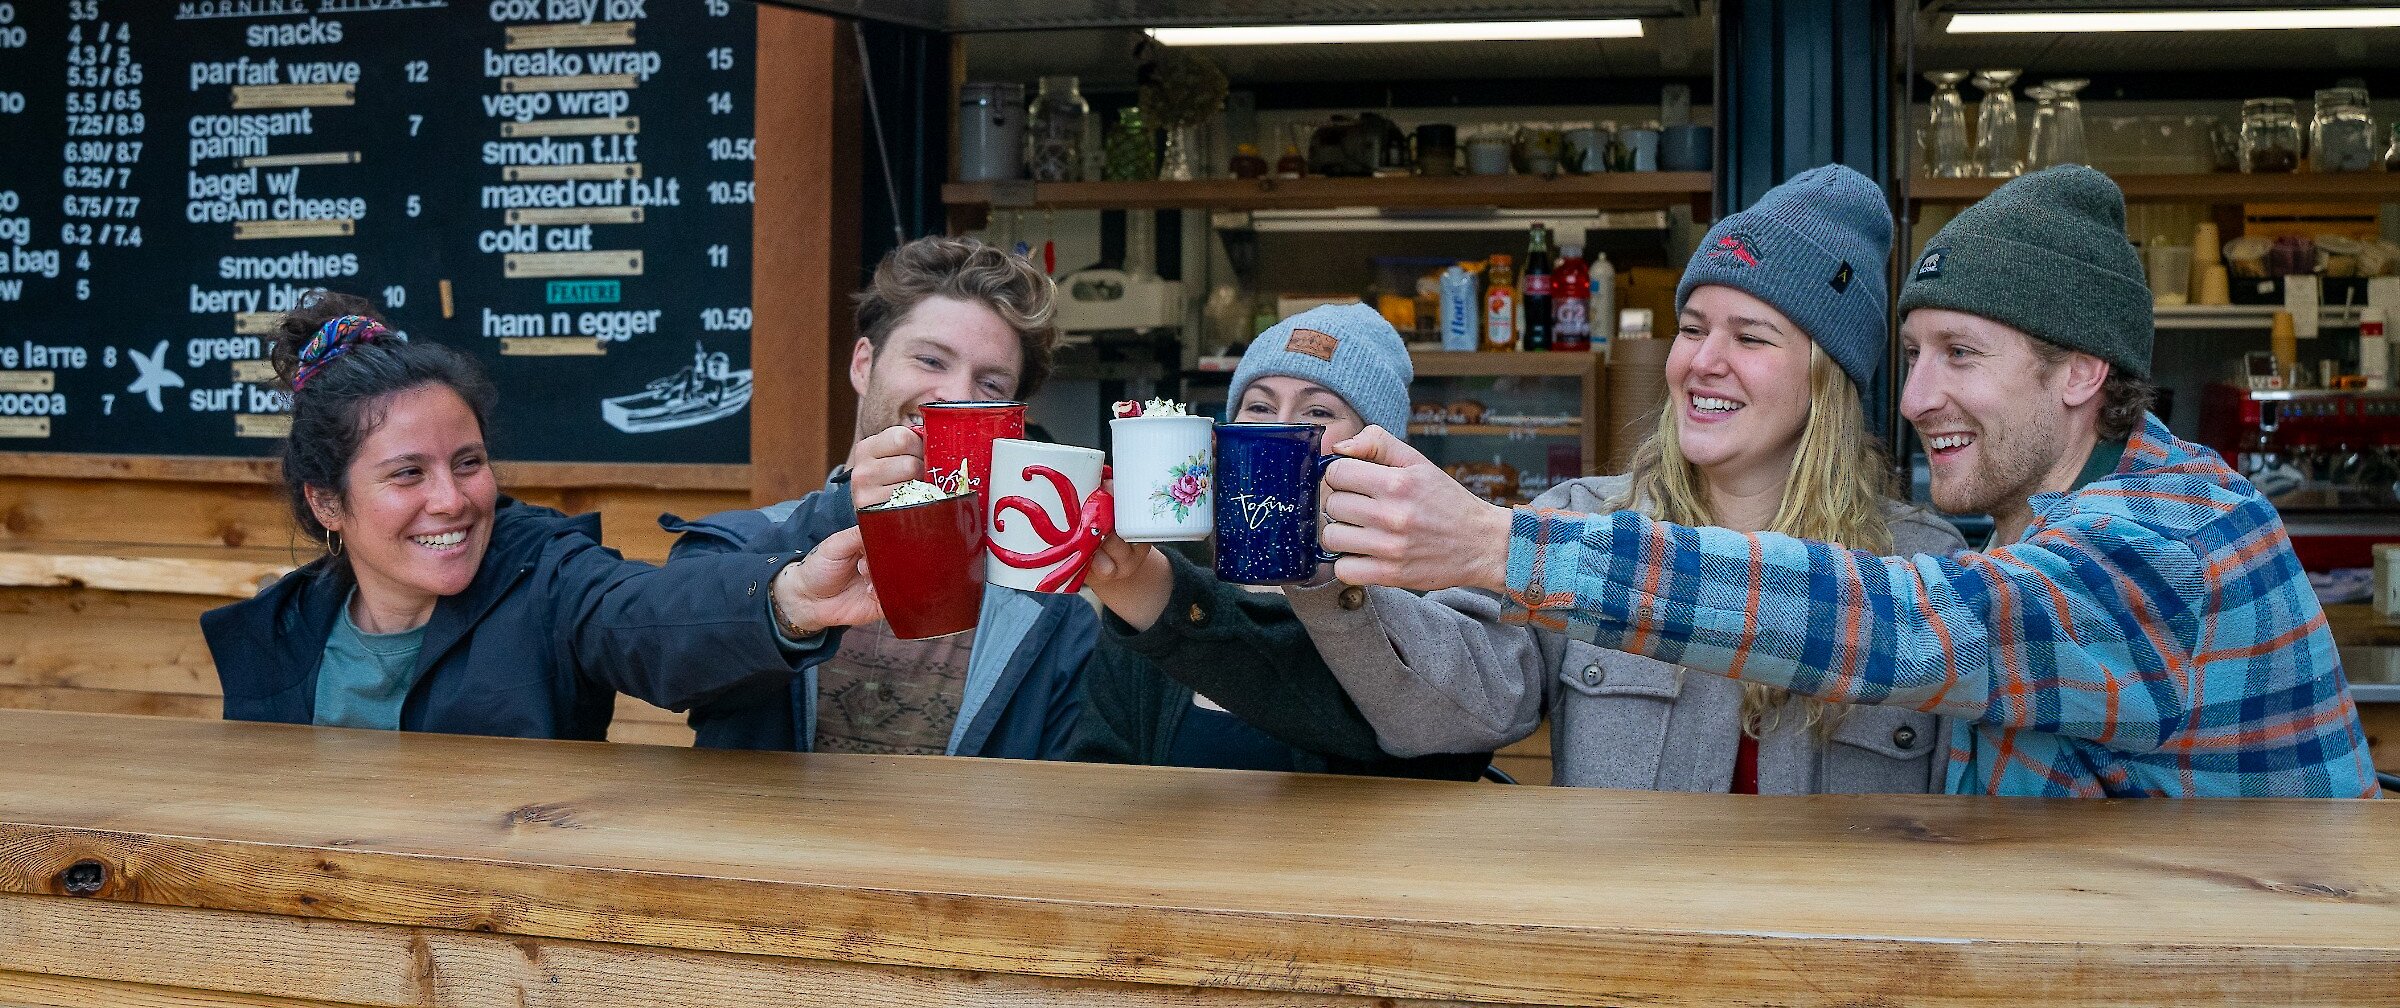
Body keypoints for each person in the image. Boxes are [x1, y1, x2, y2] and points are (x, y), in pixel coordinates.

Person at [1315, 165, 2380, 798]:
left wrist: (1500, 548)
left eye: (1960, 354)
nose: (1916, 399)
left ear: (2080, 372)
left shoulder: (2166, 541)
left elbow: (1912, 629)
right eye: (1912, 356)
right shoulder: (2032, 533)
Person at [1283, 167, 1964, 792]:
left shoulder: (1924, 573)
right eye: (1692, 329)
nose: (1704, 361)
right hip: (1620, 925)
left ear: (1827, 380)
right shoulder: (1579, 520)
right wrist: (1323, 573)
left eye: (1751, 338)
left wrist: (1491, 542)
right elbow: (1446, 710)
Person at [202, 291, 877, 739]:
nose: (452, 498)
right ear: (327, 501)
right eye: (409, 473)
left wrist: (786, 600)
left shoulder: (543, 575)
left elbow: (645, 614)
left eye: (467, 462)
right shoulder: (279, 630)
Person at [666, 236, 1091, 758]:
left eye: (990, 384)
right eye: (931, 360)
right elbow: (667, 666)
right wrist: (835, 528)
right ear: (863, 365)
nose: (956, 396)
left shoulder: (1050, 607)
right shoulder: (740, 547)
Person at [1069, 303, 1488, 780]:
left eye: (1318, 411)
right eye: (1261, 407)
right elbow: (1099, 775)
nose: (1276, 426)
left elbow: (1437, 762)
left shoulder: (1423, 620)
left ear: (1374, 452)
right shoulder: (1146, 582)